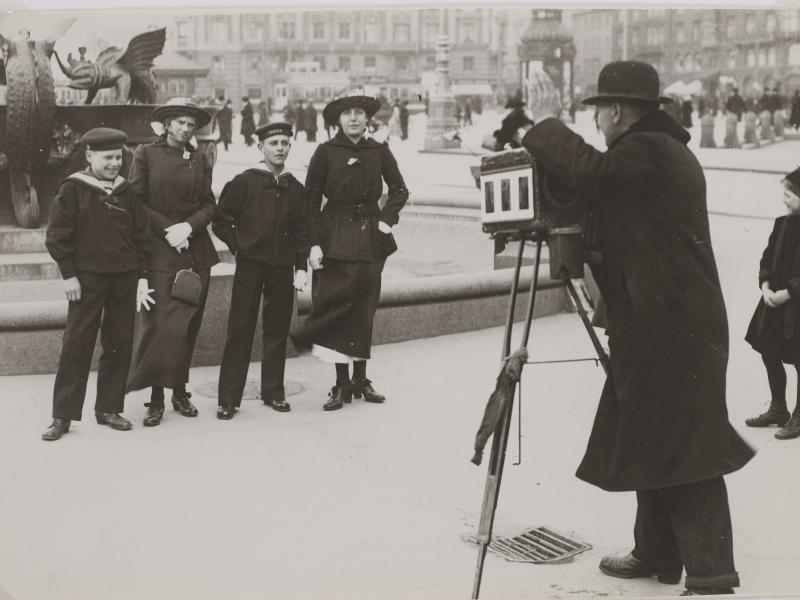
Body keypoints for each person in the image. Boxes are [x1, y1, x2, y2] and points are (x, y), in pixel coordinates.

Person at [499, 60, 755, 595]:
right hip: (659, 320)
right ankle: (657, 551)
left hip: (674, 326)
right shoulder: (651, 153)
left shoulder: (649, 152)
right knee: (649, 432)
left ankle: (711, 575)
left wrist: (545, 123)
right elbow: (606, 209)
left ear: (615, 111)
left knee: (685, 445)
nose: (597, 125)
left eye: (598, 114)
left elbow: (589, 174)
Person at [292, 92, 409, 411]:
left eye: (359, 113)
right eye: (347, 114)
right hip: (334, 235)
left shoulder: (379, 150)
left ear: (367, 118)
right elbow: (311, 199)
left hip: (371, 237)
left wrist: (386, 221)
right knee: (335, 304)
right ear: (338, 121)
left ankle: (361, 379)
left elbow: (399, 190)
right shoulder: (326, 152)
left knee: (363, 306)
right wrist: (313, 244)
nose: (354, 118)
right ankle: (340, 383)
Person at [42, 128, 154, 441]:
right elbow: (57, 236)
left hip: (124, 278)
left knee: (118, 344)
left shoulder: (125, 191)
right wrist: (68, 275)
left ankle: (108, 408)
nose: (114, 163)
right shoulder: (73, 188)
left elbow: (142, 235)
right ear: (90, 156)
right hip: (87, 280)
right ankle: (62, 416)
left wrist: (142, 275)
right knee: (76, 345)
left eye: (118, 157)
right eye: (107, 158)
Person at [126, 98, 220, 426]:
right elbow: (134, 201)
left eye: (190, 124)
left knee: (187, 324)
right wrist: (169, 229)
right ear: (166, 124)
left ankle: (180, 391)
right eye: (179, 122)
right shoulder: (146, 154)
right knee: (161, 325)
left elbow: (209, 203)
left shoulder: (200, 157)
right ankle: (155, 398)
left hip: (195, 252)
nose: (185, 128)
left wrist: (189, 227)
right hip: (159, 250)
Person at [212, 122, 309, 420]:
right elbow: (221, 221)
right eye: (274, 143)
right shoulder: (245, 182)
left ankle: (274, 391)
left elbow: (304, 229)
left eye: (284, 143)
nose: (280, 148)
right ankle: (228, 398)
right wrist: (240, 246)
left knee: (277, 328)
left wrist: (301, 267)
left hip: (282, 268)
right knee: (240, 327)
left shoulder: (295, 187)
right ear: (261, 148)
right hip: (250, 266)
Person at [743, 167, 800, 440]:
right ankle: (778, 408)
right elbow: (766, 260)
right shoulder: (782, 224)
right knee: (770, 351)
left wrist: (788, 293)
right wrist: (765, 287)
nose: (784, 200)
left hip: (795, 305)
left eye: (789, 195)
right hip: (774, 303)